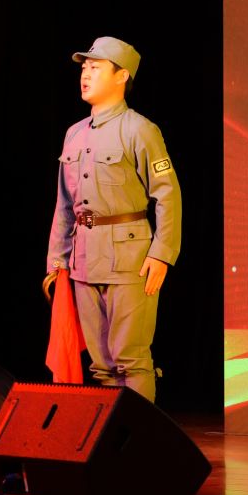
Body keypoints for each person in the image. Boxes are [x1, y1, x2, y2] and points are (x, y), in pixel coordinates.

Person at [45, 36, 182, 401]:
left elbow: (167, 195)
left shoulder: (140, 130)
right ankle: (113, 435)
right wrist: (57, 261)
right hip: (83, 259)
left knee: (130, 359)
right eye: (84, 68)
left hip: (129, 259)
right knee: (101, 365)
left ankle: (139, 436)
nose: (85, 74)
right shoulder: (74, 134)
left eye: (96, 67)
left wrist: (162, 253)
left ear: (122, 76)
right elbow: (64, 205)